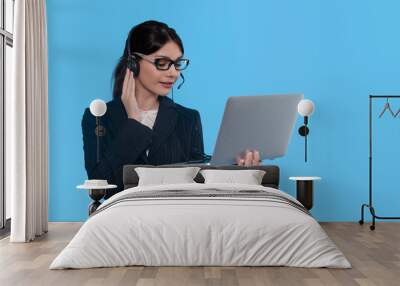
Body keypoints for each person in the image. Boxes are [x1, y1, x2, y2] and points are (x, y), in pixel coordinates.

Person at [81, 20, 260, 199]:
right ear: (133, 64)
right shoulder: (98, 116)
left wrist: (238, 169)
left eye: (177, 63)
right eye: (162, 62)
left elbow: (197, 182)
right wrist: (133, 123)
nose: (173, 73)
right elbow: (99, 183)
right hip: (123, 217)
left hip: (176, 215)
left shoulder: (188, 118)